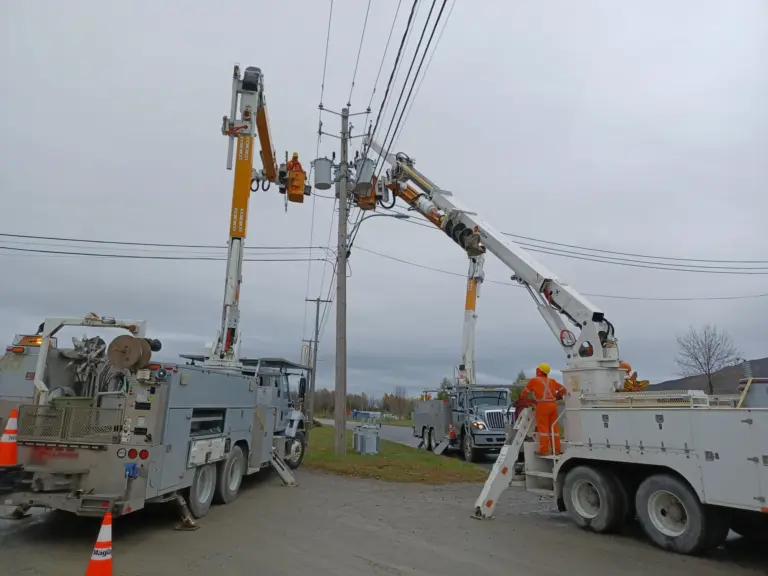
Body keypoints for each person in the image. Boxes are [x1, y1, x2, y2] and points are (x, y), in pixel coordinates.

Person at [519, 362, 566, 455]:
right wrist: (558, 396)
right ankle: (556, 450)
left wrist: (522, 399)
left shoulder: (534, 381)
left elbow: (524, 393)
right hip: (553, 405)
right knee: (554, 429)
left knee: (543, 428)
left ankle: (544, 450)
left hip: (542, 406)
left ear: (539, 371)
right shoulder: (552, 381)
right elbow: (563, 389)